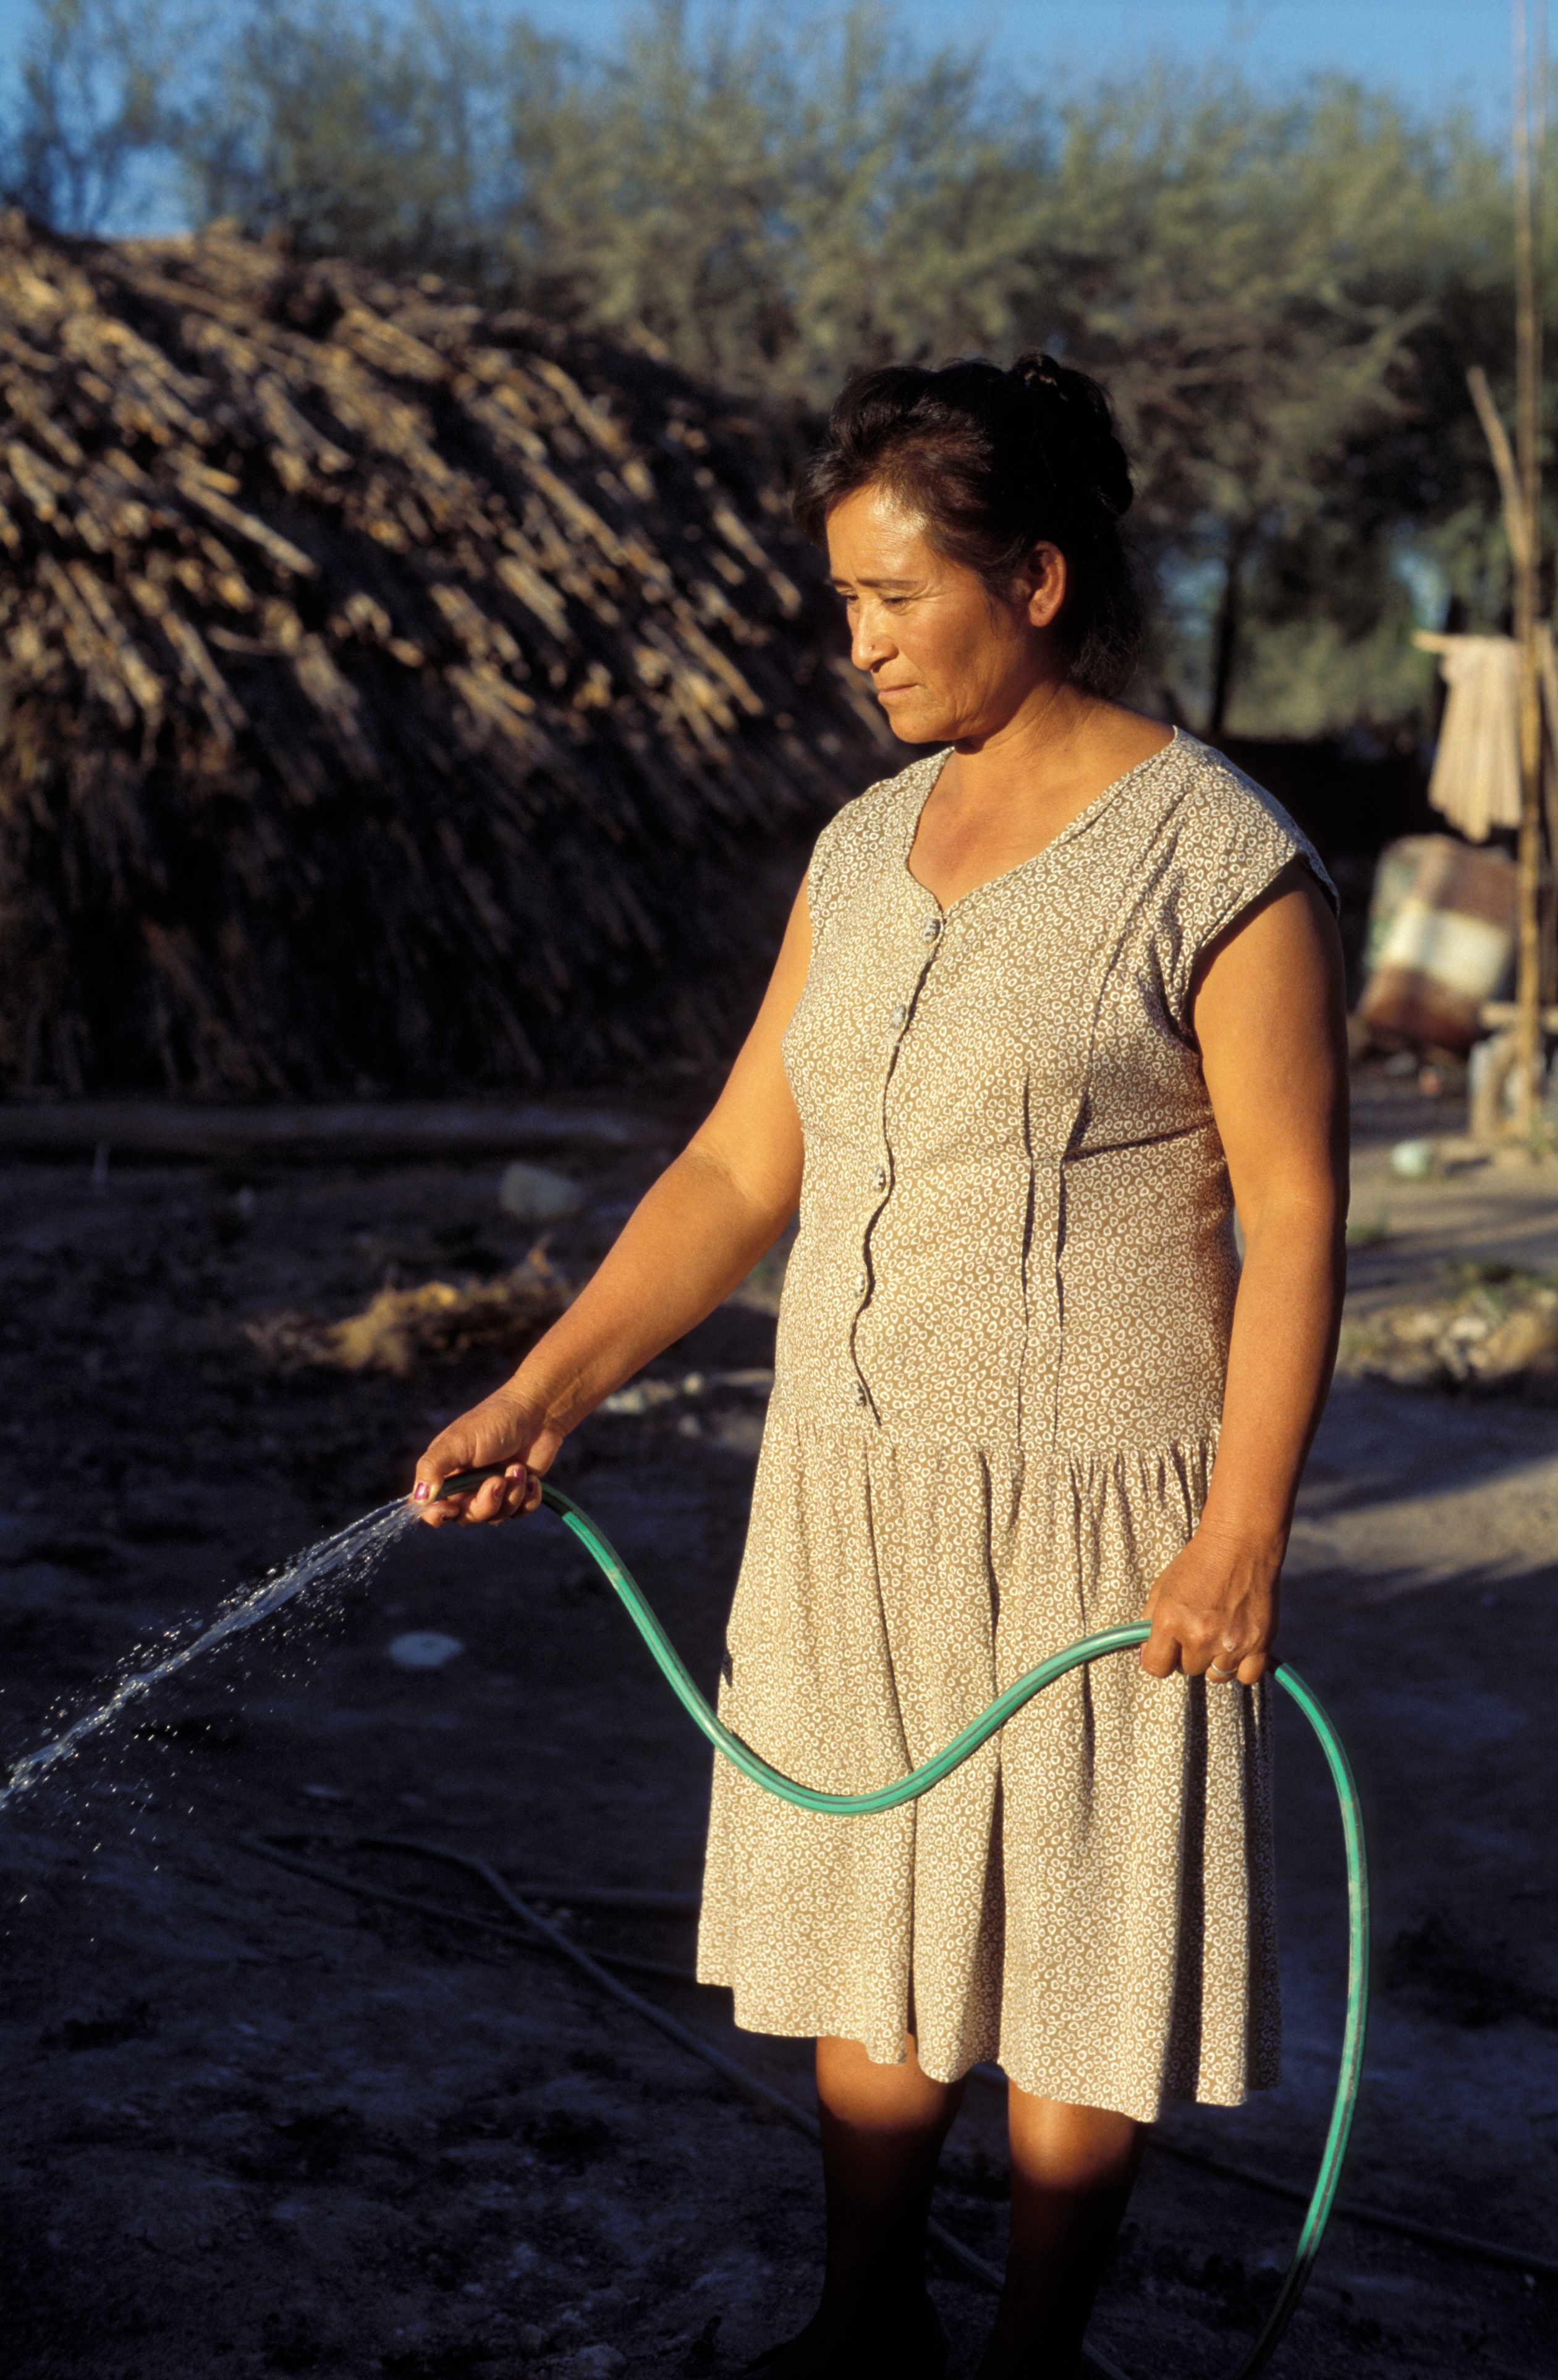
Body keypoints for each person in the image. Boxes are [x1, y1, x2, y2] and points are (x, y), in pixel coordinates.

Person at [410, 354, 1349, 2380]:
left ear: (1031, 575)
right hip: (846, 1477)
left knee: (1078, 1957)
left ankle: (1028, 2363)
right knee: (872, 1923)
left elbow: (1294, 1218)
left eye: (891, 600)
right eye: (839, 604)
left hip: (1103, 1498)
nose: (857, 648)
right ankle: (859, 2332)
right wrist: (543, 1386)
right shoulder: (854, 852)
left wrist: (1238, 1530)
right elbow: (745, 1158)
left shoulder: (1219, 860)